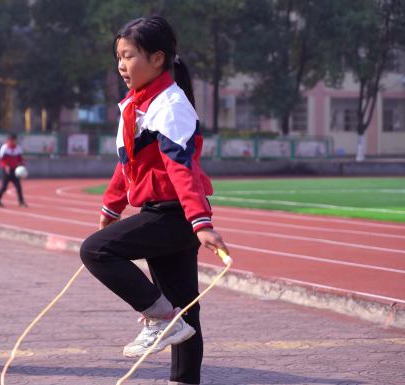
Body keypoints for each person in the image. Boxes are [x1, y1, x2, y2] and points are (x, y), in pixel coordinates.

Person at [79, 16, 229, 385]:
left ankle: (160, 318)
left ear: (158, 58)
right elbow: (127, 162)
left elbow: (182, 170)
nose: (121, 65)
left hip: (174, 215)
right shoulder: (137, 105)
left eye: (128, 56)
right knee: (186, 313)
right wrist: (111, 206)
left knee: (96, 251)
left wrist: (200, 223)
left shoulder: (170, 104)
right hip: (163, 213)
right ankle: (184, 376)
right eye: (118, 56)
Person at [0, 133, 27, 207]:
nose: (13, 141)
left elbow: (19, 158)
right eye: (11, 140)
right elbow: (2, 159)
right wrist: (6, 166)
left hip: (15, 170)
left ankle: (21, 202)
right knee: (4, 186)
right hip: (6, 170)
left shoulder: (17, 148)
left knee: (18, 186)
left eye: (14, 140)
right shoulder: (4, 147)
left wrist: (22, 164)